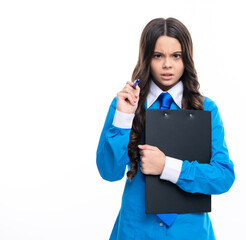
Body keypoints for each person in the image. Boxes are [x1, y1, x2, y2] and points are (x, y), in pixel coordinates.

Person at [96, 17, 235, 240]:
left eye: (176, 56)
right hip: (136, 230)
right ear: (146, 58)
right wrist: (123, 116)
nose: (167, 64)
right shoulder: (126, 104)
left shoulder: (206, 109)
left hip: (190, 232)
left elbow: (223, 177)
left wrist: (167, 167)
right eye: (158, 55)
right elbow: (109, 172)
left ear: (186, 59)